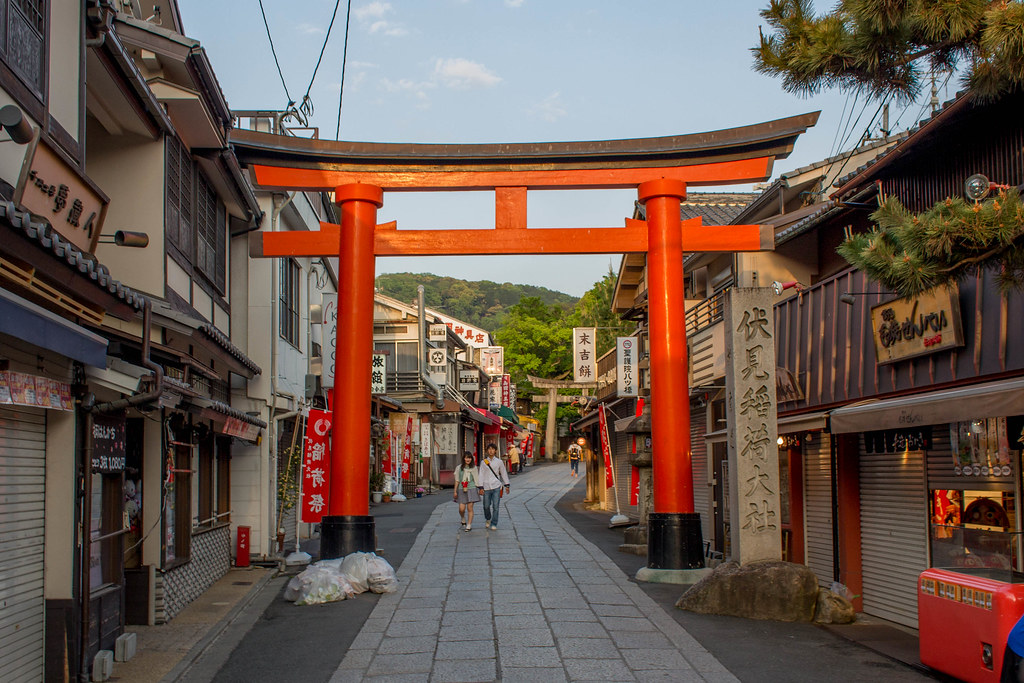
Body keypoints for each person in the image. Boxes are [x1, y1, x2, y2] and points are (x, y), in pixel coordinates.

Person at [478, 443, 511, 530]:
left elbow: (503, 473)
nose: (491, 451)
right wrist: (480, 487)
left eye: (493, 449)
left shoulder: (499, 462)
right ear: (487, 451)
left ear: (495, 451)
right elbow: (481, 474)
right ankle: (488, 518)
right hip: (486, 486)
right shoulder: (483, 462)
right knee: (486, 506)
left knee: (496, 506)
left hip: (496, 486)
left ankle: (494, 523)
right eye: (489, 449)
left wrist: (507, 484)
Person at [452, 451, 481, 531]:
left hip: (472, 488)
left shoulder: (474, 468)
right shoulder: (459, 468)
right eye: (466, 458)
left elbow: (476, 479)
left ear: (471, 459)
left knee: (470, 508)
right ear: (463, 458)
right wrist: (455, 491)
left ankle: (469, 525)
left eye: (469, 458)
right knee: (461, 508)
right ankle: (463, 518)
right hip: (462, 489)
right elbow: (457, 480)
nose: (468, 459)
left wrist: (480, 488)